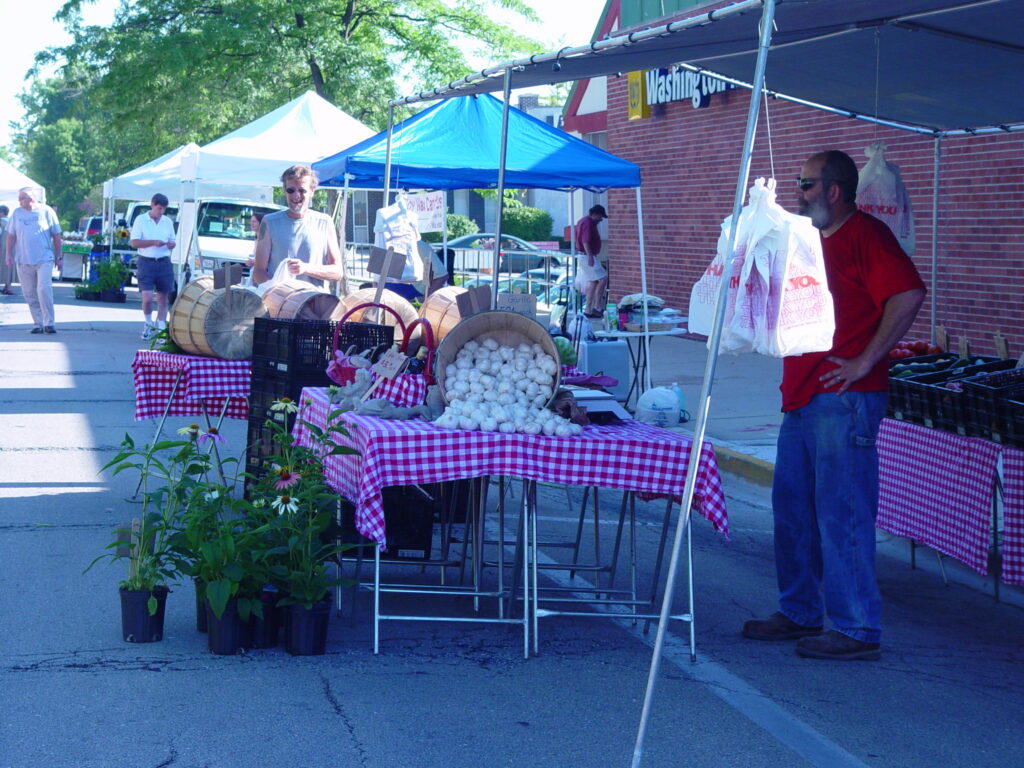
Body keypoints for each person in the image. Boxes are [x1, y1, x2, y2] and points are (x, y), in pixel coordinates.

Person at [742, 150, 926, 661]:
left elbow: (908, 294)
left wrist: (866, 360)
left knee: (841, 513)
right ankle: (799, 609)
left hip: (844, 399)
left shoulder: (866, 235)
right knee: (793, 510)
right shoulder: (807, 240)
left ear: (833, 190)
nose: (797, 194)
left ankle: (856, 627)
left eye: (804, 185)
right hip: (802, 394)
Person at [252, 165, 343, 288]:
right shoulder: (269, 222)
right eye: (291, 190)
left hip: (315, 302)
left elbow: (337, 272)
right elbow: (258, 272)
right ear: (285, 191)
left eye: (302, 190)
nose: (296, 196)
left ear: (312, 191)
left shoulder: (325, 222)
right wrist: (278, 293)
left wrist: (306, 268)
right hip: (280, 303)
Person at [5, 187, 62, 333]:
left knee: (43, 289)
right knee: (29, 292)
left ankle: (49, 322)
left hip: (44, 258)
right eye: (19, 199)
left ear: (31, 198)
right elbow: (11, 236)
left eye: (21, 198)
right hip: (23, 259)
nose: (19, 202)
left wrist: (58, 256)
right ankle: (38, 323)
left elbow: (56, 235)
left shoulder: (47, 211)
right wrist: (8, 254)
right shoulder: (17, 214)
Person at [129, 192, 177, 340]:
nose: (160, 212)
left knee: (163, 297)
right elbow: (134, 242)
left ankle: (161, 327)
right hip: (146, 261)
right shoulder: (141, 220)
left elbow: (173, 241)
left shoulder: (167, 222)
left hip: (163, 261)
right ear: (152, 205)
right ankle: (148, 323)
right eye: (158, 209)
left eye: (163, 209)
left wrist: (171, 244)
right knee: (147, 297)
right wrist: (153, 242)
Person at [574, 204, 609, 318]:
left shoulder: (583, 221)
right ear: (595, 214)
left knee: (593, 281)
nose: (601, 219)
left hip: (584, 255)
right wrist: (590, 255)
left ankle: (588, 309)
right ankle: (597, 306)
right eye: (600, 216)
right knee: (603, 279)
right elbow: (585, 241)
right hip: (587, 256)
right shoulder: (588, 223)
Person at [0, 205, 13, 295]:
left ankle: (8, 288)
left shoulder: (1, 222)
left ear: (2, 213)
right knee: (8, 266)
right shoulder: (12, 221)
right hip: (12, 246)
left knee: (2, 266)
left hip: (2, 246)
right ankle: (8, 286)